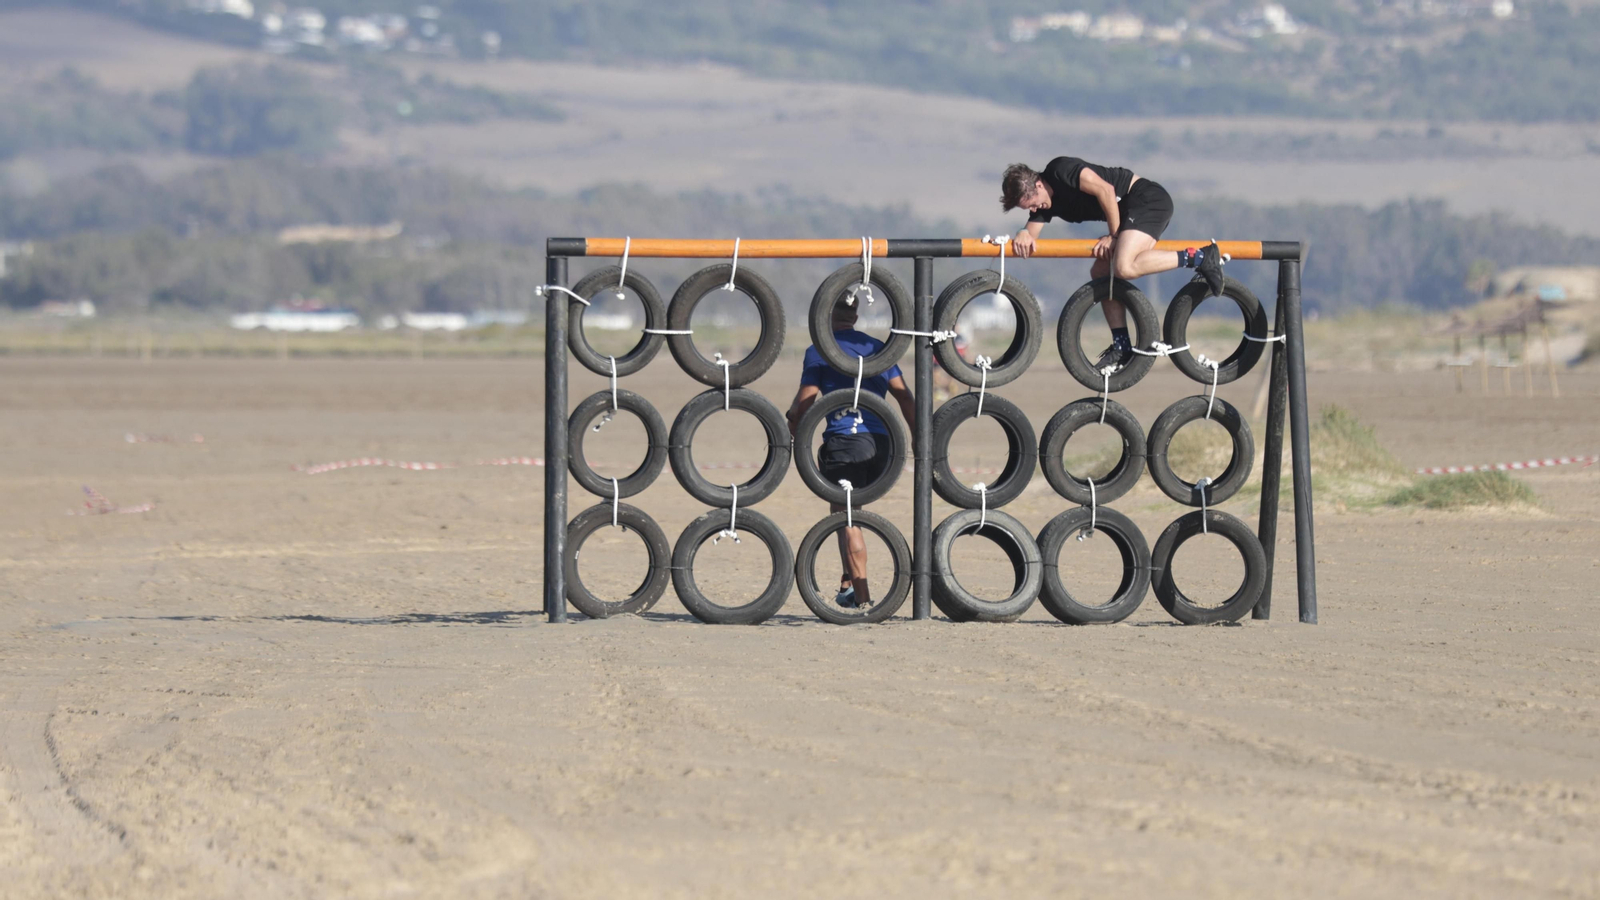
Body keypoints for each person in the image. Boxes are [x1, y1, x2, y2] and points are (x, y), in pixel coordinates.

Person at [1000, 157, 1226, 372]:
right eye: (1027, 209)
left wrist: (1114, 236)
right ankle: (1122, 346)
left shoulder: (1060, 170)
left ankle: (1200, 258)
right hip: (1129, 213)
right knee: (1100, 272)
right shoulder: (1045, 205)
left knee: (1124, 267)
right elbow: (1030, 233)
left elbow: (1106, 190)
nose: (1033, 210)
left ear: (1038, 184)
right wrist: (1022, 233)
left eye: (1030, 204)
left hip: (1146, 199)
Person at [786, 298, 916, 609]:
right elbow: (905, 397)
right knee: (847, 510)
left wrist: (792, 425)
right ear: (855, 314)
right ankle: (847, 583)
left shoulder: (818, 350)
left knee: (846, 516)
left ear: (827, 314)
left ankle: (863, 598)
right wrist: (919, 439)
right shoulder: (879, 348)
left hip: (845, 443)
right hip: (884, 445)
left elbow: (805, 404)